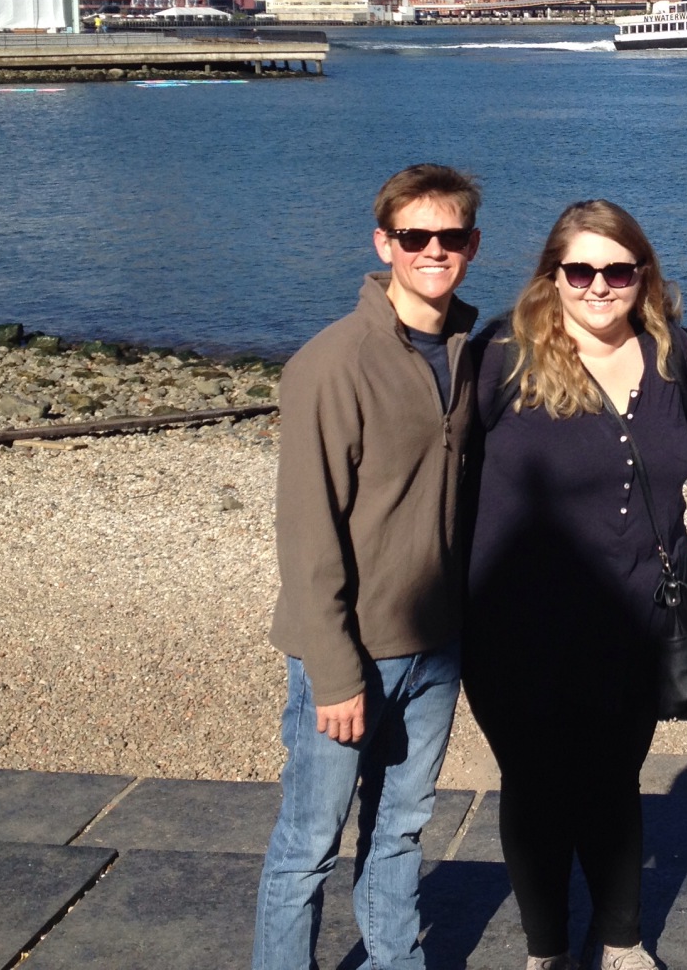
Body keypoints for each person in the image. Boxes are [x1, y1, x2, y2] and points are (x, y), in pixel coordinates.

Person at [465, 200, 687, 970]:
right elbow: (441, 468)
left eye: (617, 270)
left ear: (643, 275)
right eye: (581, 270)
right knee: (537, 789)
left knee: (613, 784)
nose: (599, 286)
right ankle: (546, 949)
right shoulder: (503, 358)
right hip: (517, 626)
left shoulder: (674, 354)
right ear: (553, 277)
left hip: (635, 619)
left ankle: (621, 940)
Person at [253, 164, 485, 970]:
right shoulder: (332, 364)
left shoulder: (467, 351)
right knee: (308, 844)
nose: (434, 251)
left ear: (472, 245)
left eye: (450, 237)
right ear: (384, 242)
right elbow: (308, 532)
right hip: (353, 654)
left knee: (400, 835)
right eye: (415, 236)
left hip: (436, 647)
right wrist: (335, 672)